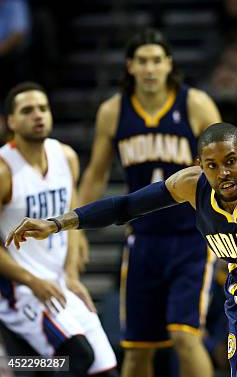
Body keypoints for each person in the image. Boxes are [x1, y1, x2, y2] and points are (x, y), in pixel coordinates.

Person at [5, 122, 237, 377]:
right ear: (200, 164)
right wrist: (57, 223)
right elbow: (125, 206)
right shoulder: (191, 186)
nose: (223, 173)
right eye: (212, 165)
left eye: (231, 161)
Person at [77, 29, 220, 377]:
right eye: (142, 61)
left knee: (185, 336)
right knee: (137, 349)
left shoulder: (194, 103)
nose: (150, 68)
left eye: (157, 60)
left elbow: (227, 164)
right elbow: (96, 174)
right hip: (142, 240)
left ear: (169, 64)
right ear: (130, 66)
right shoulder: (113, 111)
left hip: (192, 238)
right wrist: (75, 225)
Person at [0, 82, 117, 376]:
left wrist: (72, 275)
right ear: (11, 121)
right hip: (20, 290)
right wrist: (32, 281)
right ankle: (13, 365)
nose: (38, 115)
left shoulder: (65, 156)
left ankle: (17, 366)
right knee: (75, 358)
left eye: (43, 108)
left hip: (58, 283)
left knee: (106, 368)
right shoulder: (4, 171)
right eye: (27, 110)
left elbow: (72, 221)